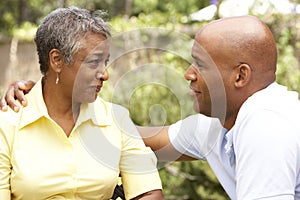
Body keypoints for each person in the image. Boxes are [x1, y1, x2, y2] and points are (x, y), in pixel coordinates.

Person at [1, 15, 300, 199]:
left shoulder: (267, 125)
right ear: (57, 61)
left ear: (240, 75)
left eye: (201, 64)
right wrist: (49, 101)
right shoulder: (219, 125)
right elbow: (147, 139)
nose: (188, 74)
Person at [0, 6, 164, 200]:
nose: (105, 74)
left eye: (105, 62)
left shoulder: (116, 120)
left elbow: (149, 193)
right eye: (94, 62)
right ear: (57, 60)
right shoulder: (7, 123)